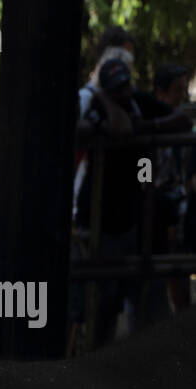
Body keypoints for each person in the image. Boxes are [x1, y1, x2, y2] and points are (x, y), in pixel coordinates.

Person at [74, 58, 146, 347]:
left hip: (127, 217)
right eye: (118, 88)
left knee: (120, 294)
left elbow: (129, 128)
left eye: (127, 85)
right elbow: (118, 128)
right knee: (96, 297)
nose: (125, 92)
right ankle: (91, 350)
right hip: (97, 218)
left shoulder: (137, 105)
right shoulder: (95, 108)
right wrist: (104, 101)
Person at [134, 64, 193, 313]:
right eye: (177, 90)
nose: (183, 96)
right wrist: (148, 190)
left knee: (180, 270)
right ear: (161, 92)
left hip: (178, 206)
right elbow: (143, 173)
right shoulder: (153, 129)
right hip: (156, 208)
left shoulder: (181, 127)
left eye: (184, 90)